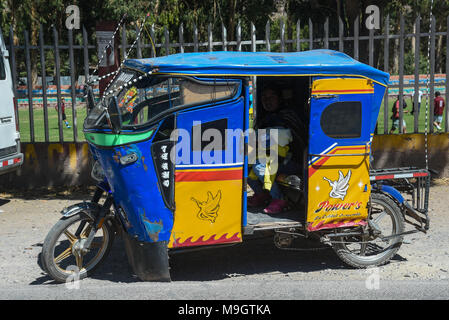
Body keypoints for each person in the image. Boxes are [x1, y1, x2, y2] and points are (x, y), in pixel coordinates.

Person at [247, 86, 305, 214]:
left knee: (259, 167)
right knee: (245, 164)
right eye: (264, 98)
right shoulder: (265, 118)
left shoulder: (288, 115)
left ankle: (280, 199)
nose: (267, 101)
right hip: (273, 156)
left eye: (271, 97)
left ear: (279, 98)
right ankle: (262, 194)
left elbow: (284, 139)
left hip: (292, 160)